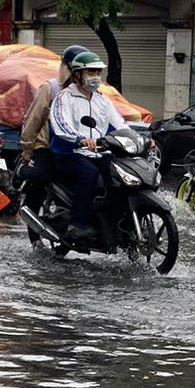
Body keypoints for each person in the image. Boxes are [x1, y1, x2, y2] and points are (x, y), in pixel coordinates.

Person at [49, 51, 133, 245]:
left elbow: (119, 124)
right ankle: (76, 224)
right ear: (78, 74)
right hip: (69, 152)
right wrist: (79, 139)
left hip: (99, 153)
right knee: (89, 174)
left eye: (97, 72)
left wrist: (140, 139)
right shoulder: (64, 98)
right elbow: (61, 124)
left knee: (121, 176)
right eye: (90, 72)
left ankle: (115, 223)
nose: (95, 77)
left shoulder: (101, 100)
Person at [18, 45, 89, 208]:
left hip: (77, 147)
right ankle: (24, 173)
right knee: (43, 176)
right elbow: (34, 119)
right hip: (48, 146)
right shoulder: (51, 88)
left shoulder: (90, 91)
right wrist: (27, 149)